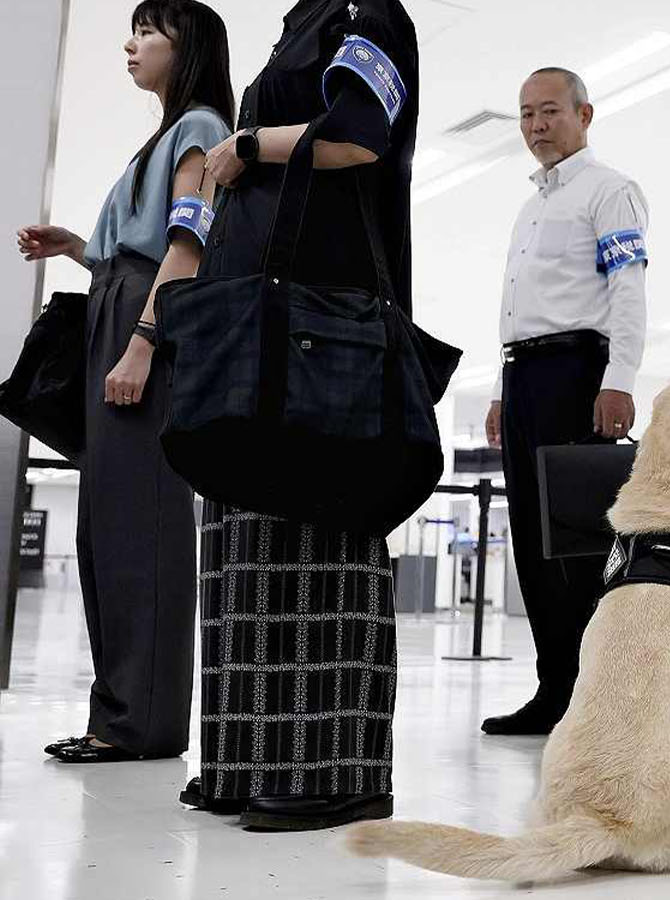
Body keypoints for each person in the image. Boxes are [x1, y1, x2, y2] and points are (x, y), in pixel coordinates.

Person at [179, 0, 419, 831]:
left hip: (327, 314)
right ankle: (246, 758)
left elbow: (356, 135)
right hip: (267, 316)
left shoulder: (368, 13)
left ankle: (338, 770)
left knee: (322, 536)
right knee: (252, 537)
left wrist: (244, 146)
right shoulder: (301, 20)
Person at [15, 0, 232, 765]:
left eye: (149, 31)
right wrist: (81, 247)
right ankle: (120, 714)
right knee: (108, 525)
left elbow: (185, 249)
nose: (132, 44)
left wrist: (141, 344)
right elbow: (139, 251)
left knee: (142, 524)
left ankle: (143, 722)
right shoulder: (170, 134)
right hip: (118, 304)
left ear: (191, 43)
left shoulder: (200, 129)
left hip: (144, 323)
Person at [482, 67, 649, 736]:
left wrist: (621, 377)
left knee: (579, 546)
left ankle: (601, 699)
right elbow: (518, 309)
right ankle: (556, 689)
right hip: (524, 378)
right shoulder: (531, 206)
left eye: (548, 111)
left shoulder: (609, 192)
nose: (535, 126)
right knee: (532, 542)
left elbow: (628, 290)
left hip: (577, 373)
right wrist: (501, 390)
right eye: (525, 114)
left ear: (584, 113)